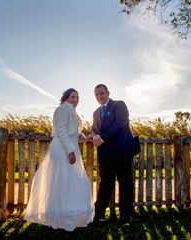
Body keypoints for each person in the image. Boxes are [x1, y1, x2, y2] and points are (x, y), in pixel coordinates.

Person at [24, 88, 94, 231]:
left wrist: (79, 134)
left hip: (70, 145)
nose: (76, 99)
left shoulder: (71, 110)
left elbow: (69, 129)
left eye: (77, 97)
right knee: (62, 180)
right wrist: (70, 151)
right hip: (63, 148)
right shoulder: (62, 109)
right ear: (66, 98)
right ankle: (58, 216)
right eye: (73, 97)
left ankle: (66, 214)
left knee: (70, 181)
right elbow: (61, 131)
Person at [89, 84, 140, 226]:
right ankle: (98, 215)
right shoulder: (95, 113)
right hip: (105, 155)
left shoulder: (119, 105)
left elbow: (119, 124)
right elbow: (93, 129)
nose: (99, 96)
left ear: (108, 93)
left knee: (125, 185)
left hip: (122, 152)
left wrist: (102, 138)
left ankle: (125, 218)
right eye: (97, 94)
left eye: (102, 93)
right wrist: (94, 136)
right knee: (105, 185)